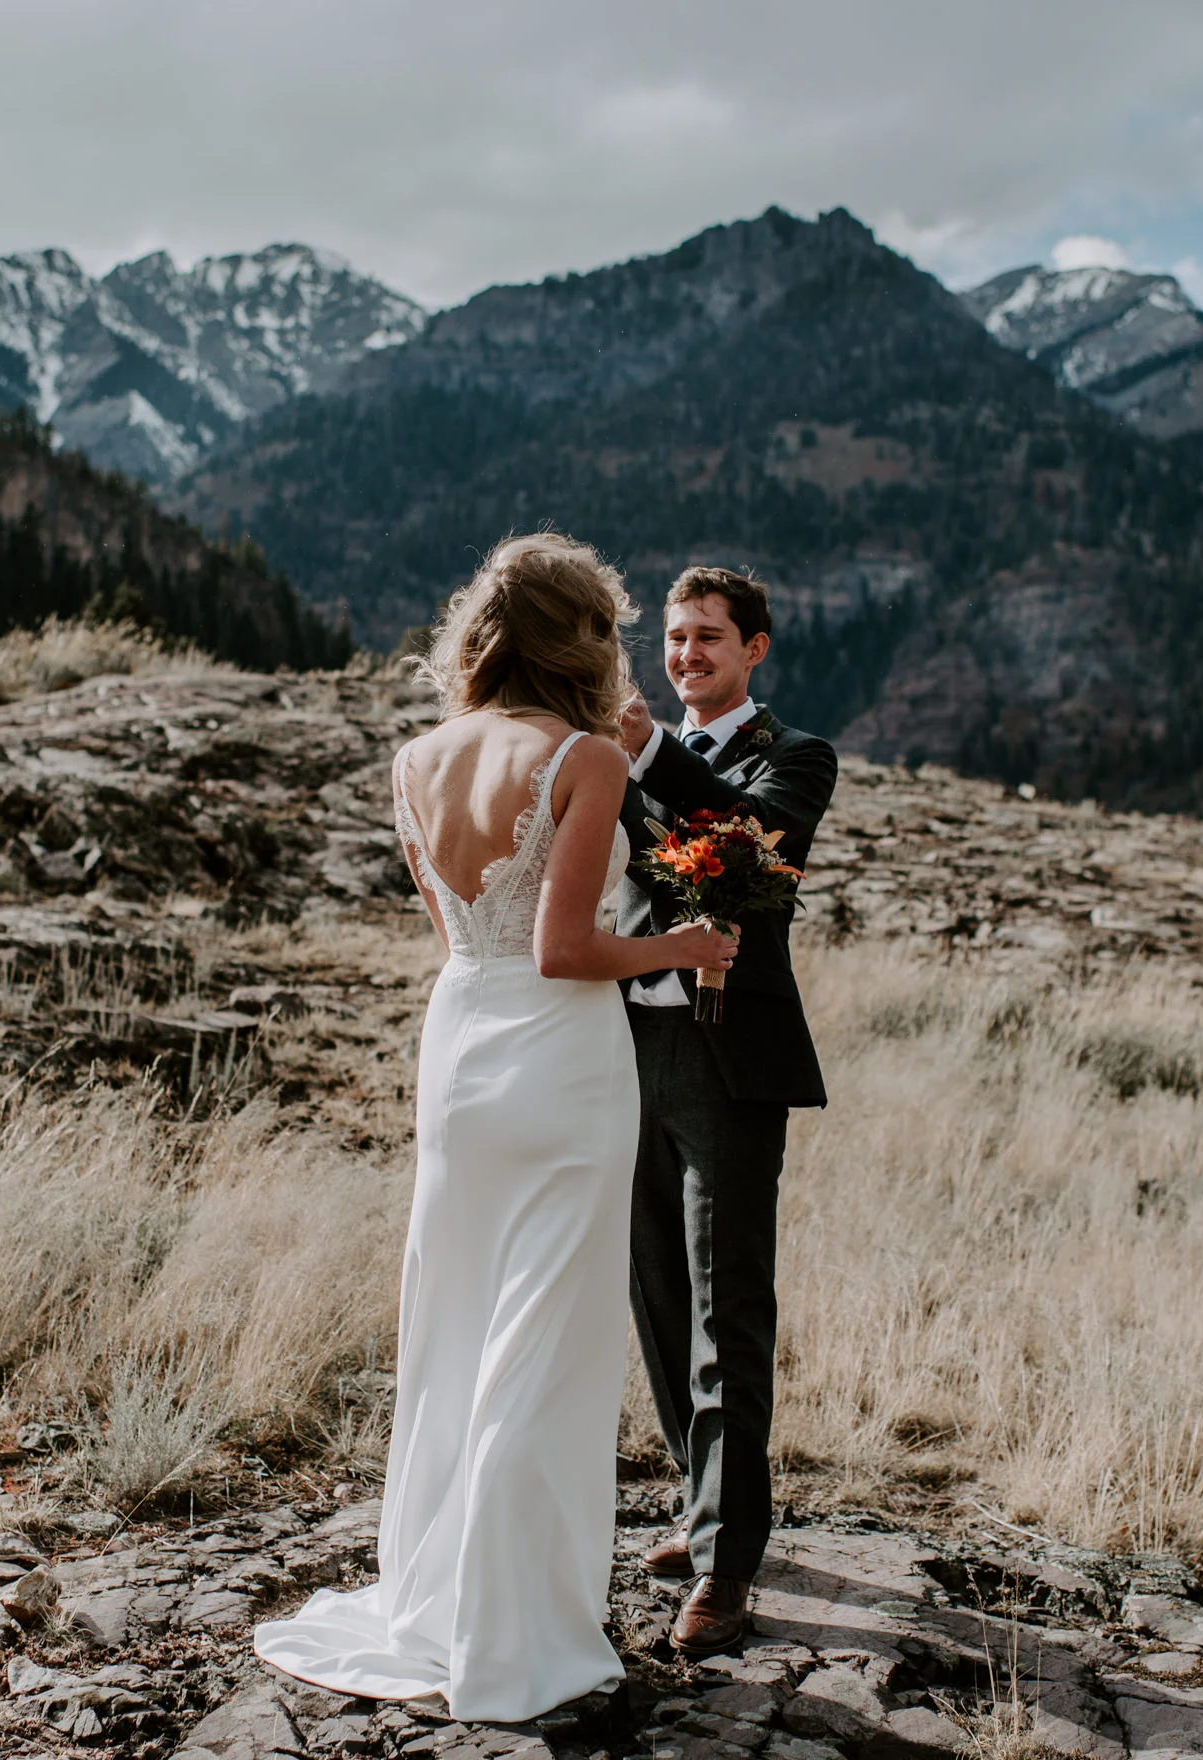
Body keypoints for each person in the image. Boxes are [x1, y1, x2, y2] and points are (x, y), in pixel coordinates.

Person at [253, 533, 737, 1722]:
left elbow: (466, 939)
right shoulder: (582, 759)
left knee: (456, 1318)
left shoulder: (418, 756)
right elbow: (564, 950)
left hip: (460, 1043)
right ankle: (515, 1627)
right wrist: (682, 945)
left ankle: (432, 1591)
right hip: (561, 1058)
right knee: (549, 1335)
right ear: (579, 639)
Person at [614, 566, 838, 1657]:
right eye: (672, 636)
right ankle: (700, 1508)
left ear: (755, 647)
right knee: (653, 1287)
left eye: (707, 637)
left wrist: (648, 755)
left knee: (725, 1302)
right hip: (622, 1044)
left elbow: (758, 855)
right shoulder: (622, 761)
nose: (685, 653)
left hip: (728, 1055)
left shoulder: (796, 756)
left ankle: (727, 1564)